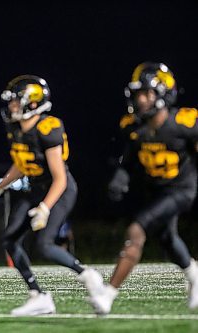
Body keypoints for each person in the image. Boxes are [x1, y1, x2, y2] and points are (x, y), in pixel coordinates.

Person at [0, 75, 103, 316]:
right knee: (10, 239)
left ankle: (87, 275)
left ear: (32, 103)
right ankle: (38, 295)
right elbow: (20, 164)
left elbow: (60, 178)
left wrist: (45, 207)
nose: (11, 106)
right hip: (35, 188)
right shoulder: (16, 129)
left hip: (58, 189)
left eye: (15, 101)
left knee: (44, 244)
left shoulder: (48, 128)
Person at [89, 62, 198, 314]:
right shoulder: (134, 126)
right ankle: (194, 275)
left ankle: (107, 295)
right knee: (168, 238)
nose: (141, 100)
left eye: (146, 94)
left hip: (182, 189)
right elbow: (128, 158)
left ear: (162, 94)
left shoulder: (184, 122)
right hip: (157, 189)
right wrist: (121, 175)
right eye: (139, 94)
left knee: (137, 229)